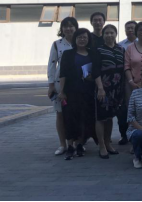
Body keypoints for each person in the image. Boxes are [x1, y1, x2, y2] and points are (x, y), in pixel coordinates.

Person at [59, 28, 99, 161]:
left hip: (87, 91)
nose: (82, 40)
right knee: (70, 118)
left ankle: (80, 144)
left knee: (85, 118)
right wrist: (62, 91)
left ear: (88, 39)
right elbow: (63, 73)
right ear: (75, 39)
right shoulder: (68, 54)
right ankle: (70, 145)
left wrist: (92, 79)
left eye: (85, 37)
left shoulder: (92, 54)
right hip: (71, 91)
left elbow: (97, 73)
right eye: (80, 37)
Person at [48, 17, 78, 156]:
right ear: (62, 29)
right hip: (60, 84)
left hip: (78, 84)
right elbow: (52, 65)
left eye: (71, 26)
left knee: (76, 114)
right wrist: (51, 85)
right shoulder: (57, 44)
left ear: (76, 28)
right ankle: (62, 144)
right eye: (66, 26)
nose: (69, 28)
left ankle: (77, 143)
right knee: (60, 114)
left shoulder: (81, 42)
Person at [94, 25, 125, 159]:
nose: (109, 35)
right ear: (103, 35)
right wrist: (100, 88)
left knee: (110, 116)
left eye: (112, 33)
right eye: (106, 33)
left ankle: (108, 143)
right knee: (101, 117)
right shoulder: (98, 50)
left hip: (116, 89)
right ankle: (101, 145)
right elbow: (95, 70)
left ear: (116, 34)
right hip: (103, 88)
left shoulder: (121, 49)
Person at [116, 20, 138, 145]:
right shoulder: (119, 45)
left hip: (139, 81)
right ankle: (124, 134)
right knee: (123, 109)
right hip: (122, 81)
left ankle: (137, 132)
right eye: (127, 28)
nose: (130, 30)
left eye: (132, 28)